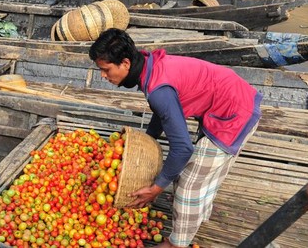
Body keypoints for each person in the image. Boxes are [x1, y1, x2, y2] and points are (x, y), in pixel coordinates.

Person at [90, 28, 261, 248]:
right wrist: (145, 142)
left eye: (105, 70)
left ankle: (176, 243)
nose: (103, 76)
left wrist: (157, 188)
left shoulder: (157, 88)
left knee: (188, 184)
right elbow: (162, 112)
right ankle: (198, 217)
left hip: (233, 115)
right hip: (230, 101)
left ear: (125, 63)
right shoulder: (147, 65)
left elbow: (182, 148)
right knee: (203, 173)